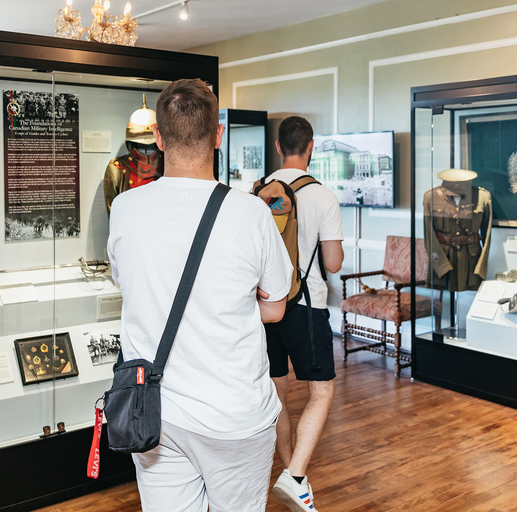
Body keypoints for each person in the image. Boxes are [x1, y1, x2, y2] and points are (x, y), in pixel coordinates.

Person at [106, 79, 293, 512]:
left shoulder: (126, 209)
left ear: (158, 136)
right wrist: (234, 306)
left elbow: (131, 287)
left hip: (155, 411)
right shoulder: (252, 213)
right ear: (218, 135)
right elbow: (276, 305)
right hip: (235, 414)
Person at [263, 116, 344, 510]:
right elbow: (332, 263)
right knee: (321, 390)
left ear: (278, 147)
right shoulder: (323, 197)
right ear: (310, 146)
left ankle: (294, 475)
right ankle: (295, 476)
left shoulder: (257, 193)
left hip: (266, 308)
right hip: (306, 307)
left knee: (277, 391)